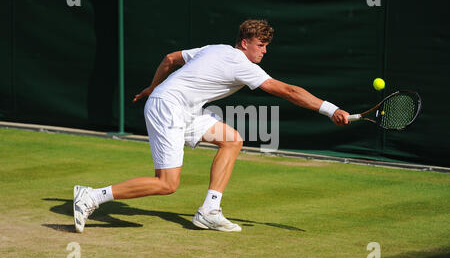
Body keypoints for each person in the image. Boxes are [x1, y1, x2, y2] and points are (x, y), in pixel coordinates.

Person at [73, 19, 349, 233]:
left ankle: (209, 211)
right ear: (244, 43)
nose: (264, 50)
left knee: (232, 139)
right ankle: (91, 196)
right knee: (167, 184)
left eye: (266, 45)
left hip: (182, 108)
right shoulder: (243, 65)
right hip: (168, 108)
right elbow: (288, 91)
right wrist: (330, 109)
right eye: (260, 45)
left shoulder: (215, 48)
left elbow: (170, 58)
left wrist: (152, 88)